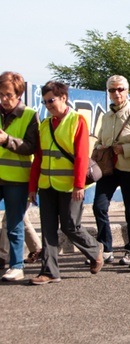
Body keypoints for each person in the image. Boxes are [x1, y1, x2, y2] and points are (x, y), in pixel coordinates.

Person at [28, 80, 104, 284]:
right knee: (48, 229)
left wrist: (79, 185)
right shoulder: (44, 125)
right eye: (44, 102)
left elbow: (81, 156)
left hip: (70, 186)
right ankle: (49, 271)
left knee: (71, 226)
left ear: (63, 97)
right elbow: (39, 159)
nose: (48, 105)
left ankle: (95, 249)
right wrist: (32, 188)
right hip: (46, 185)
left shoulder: (77, 121)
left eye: (51, 100)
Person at [92, 75, 130, 266]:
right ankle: (105, 248)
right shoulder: (106, 116)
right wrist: (99, 148)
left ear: (126, 91)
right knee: (98, 206)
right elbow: (99, 139)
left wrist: (125, 148)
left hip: (129, 168)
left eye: (120, 89)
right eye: (112, 90)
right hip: (108, 168)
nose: (117, 93)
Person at [0, 72, 39, 282]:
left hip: (17, 177)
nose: (4, 99)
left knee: (14, 223)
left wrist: (7, 140)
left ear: (18, 94)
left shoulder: (30, 115)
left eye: (8, 95)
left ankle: (16, 266)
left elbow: (31, 147)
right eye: (1, 94)